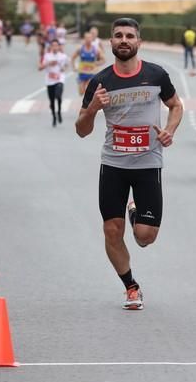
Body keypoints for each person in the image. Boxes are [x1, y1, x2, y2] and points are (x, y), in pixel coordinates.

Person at [75, 17, 184, 310]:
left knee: (145, 237)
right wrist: (93, 109)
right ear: (110, 42)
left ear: (139, 42)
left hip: (148, 163)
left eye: (130, 36)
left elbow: (176, 105)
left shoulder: (156, 75)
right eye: (119, 36)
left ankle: (136, 214)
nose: (124, 40)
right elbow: (81, 130)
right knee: (112, 230)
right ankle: (131, 287)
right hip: (113, 165)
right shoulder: (100, 82)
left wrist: (169, 131)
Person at [39, 39, 69, 127]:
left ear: (59, 47)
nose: (55, 47)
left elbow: (67, 64)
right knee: (52, 101)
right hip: (50, 81)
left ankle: (59, 111)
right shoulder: (47, 56)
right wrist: (48, 63)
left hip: (60, 79)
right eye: (53, 45)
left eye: (56, 45)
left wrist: (64, 68)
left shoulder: (63, 56)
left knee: (58, 95)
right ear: (51, 47)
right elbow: (40, 68)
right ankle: (54, 117)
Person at [72, 32, 105, 96]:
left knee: (88, 90)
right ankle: (86, 101)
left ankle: (87, 104)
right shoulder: (80, 48)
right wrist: (74, 67)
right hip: (82, 72)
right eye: (87, 38)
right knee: (81, 92)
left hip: (91, 72)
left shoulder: (96, 49)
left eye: (90, 38)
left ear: (92, 39)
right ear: (84, 39)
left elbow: (103, 60)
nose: (88, 39)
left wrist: (96, 63)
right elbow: (73, 58)